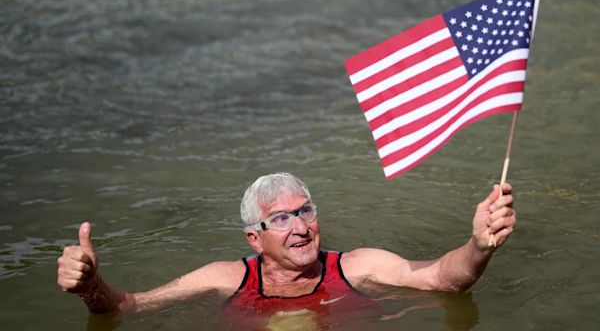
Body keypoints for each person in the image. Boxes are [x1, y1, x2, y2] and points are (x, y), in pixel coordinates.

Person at [57, 172, 515, 317]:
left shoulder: (357, 266)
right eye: (281, 218)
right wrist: (91, 287)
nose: (301, 226)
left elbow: (443, 280)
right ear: (254, 238)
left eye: (306, 211)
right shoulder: (225, 277)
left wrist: (478, 246)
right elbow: (129, 307)